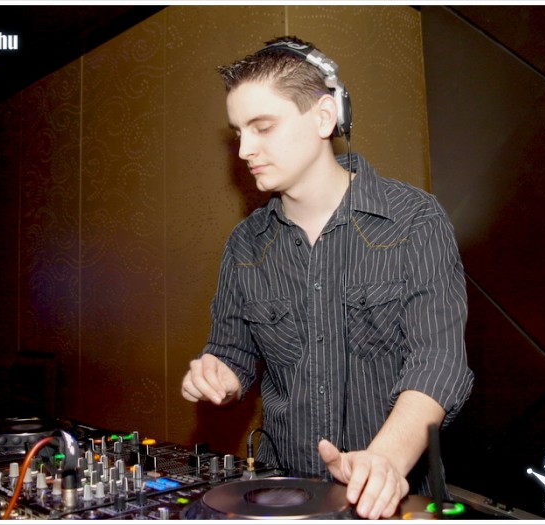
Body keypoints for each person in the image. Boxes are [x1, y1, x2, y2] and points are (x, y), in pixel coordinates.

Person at [181, 36, 474, 519]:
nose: (245, 149)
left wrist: (384, 460)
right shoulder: (245, 244)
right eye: (239, 132)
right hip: (281, 495)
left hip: (391, 500)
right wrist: (219, 375)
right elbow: (233, 354)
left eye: (262, 127)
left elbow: (438, 362)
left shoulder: (415, 219)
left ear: (324, 117)